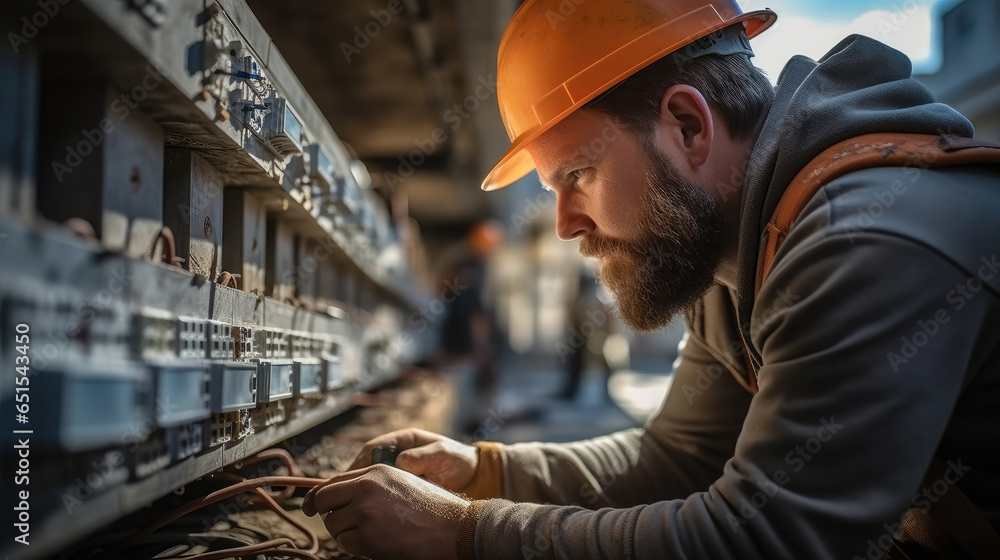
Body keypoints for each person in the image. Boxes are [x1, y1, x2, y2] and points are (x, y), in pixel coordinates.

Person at [301, 1, 1000, 558]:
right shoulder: (733, 259)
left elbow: (767, 537)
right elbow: (679, 459)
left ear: (688, 126)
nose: (566, 224)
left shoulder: (863, 235)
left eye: (577, 175)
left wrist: (462, 532)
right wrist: (483, 472)